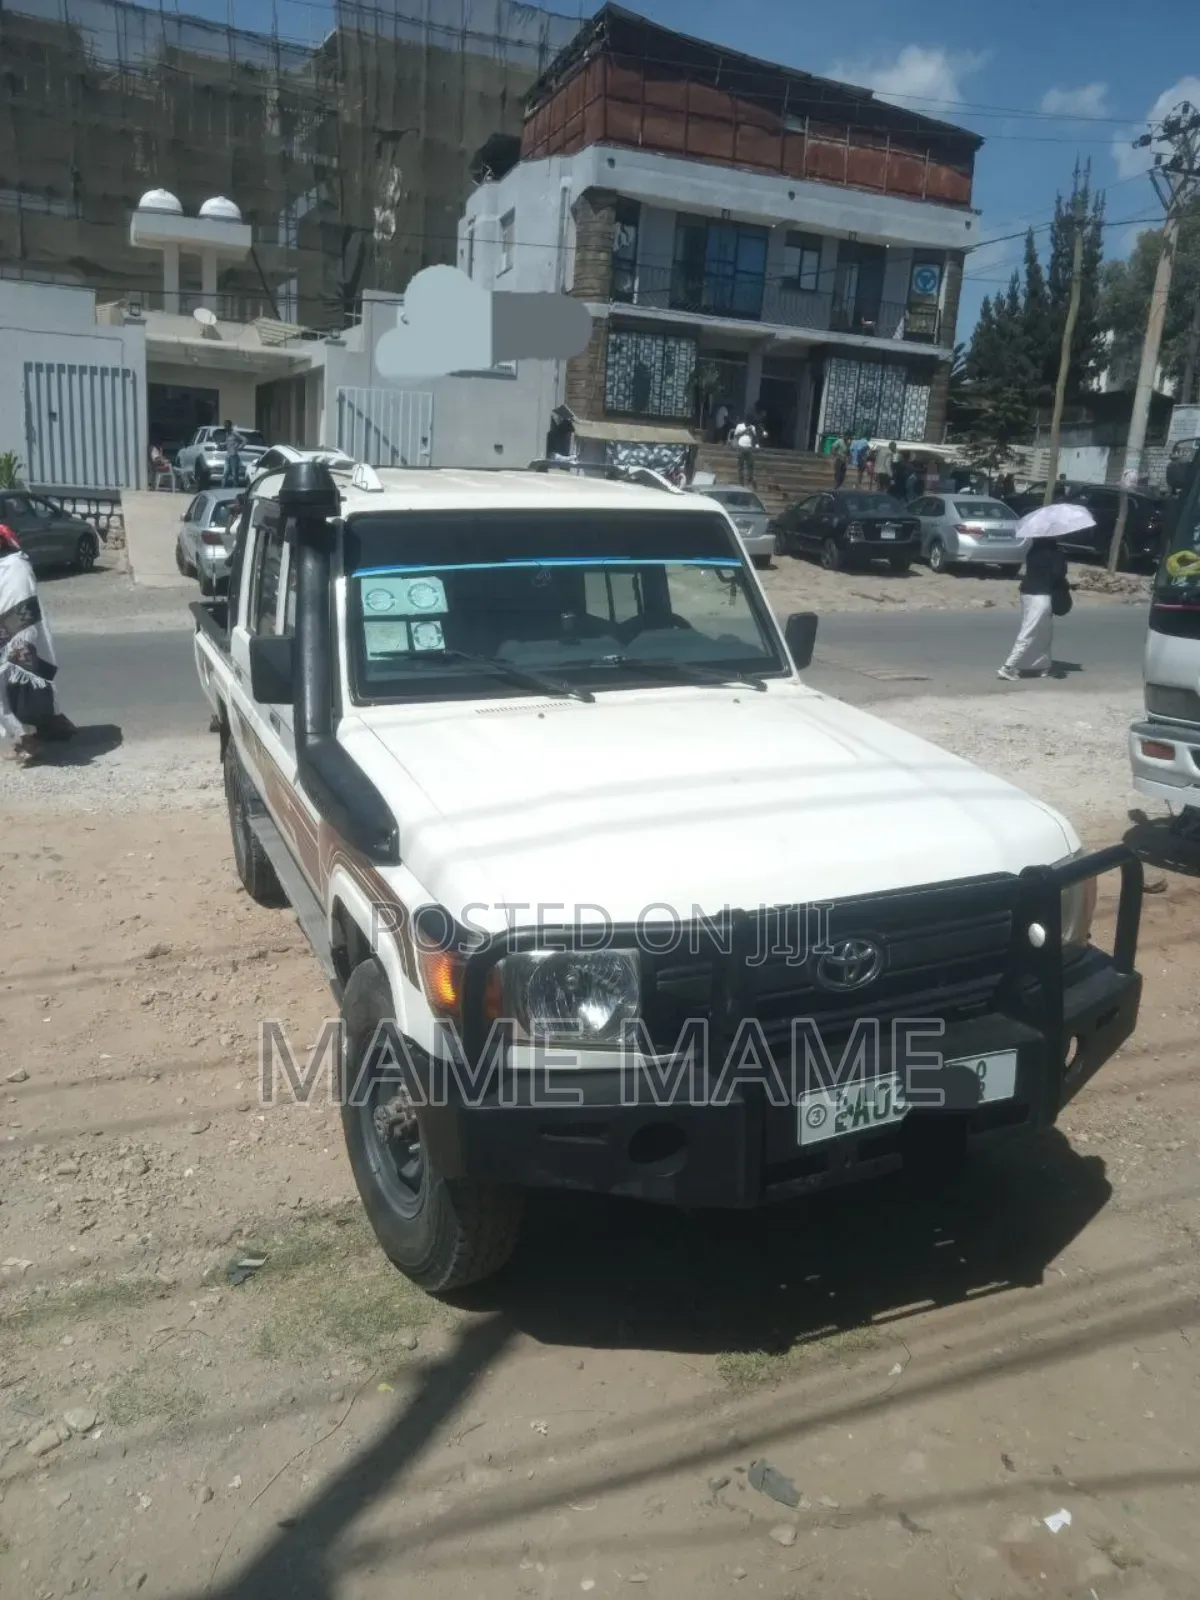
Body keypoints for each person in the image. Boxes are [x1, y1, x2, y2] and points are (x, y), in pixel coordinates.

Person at [0, 521, 74, 760]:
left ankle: (29, 737)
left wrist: (15, 641)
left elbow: (22, 606)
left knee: (21, 687)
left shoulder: (14, 567)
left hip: (19, 636)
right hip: (10, 636)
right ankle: (37, 729)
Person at [997, 506, 1082, 680]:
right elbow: (1058, 575)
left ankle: (1043, 666)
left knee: (1044, 632)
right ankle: (1008, 666)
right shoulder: (1056, 554)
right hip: (1041, 597)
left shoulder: (1033, 552)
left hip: (1028, 594)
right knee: (1030, 632)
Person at [731, 417, 759, 486]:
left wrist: (751, 431)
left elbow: (755, 437)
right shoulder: (739, 426)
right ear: (745, 421)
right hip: (741, 447)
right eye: (747, 422)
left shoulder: (753, 427)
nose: (748, 423)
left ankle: (750, 479)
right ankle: (741, 482)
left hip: (749, 448)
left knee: (751, 464)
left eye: (750, 422)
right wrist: (745, 430)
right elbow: (736, 436)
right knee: (741, 466)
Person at [221, 419, 245, 488]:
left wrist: (239, 447)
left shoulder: (234, 433)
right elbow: (227, 443)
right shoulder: (227, 434)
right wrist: (222, 444)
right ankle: (222, 488)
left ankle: (235, 488)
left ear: (229, 426)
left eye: (226, 426)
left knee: (234, 474)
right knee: (225, 473)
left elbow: (244, 440)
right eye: (224, 426)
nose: (225, 427)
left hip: (234, 456)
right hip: (228, 455)